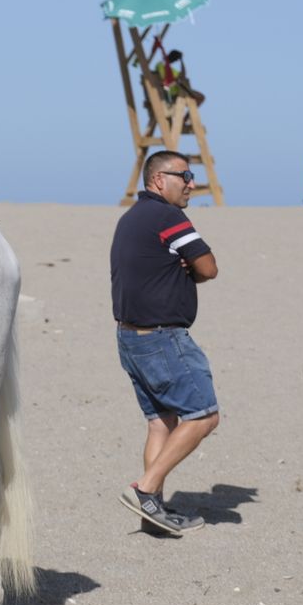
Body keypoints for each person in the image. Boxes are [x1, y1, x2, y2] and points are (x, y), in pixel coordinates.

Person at [110, 150, 220, 537]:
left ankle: (151, 513)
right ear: (159, 180)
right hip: (161, 338)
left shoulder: (131, 218)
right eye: (184, 176)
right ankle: (145, 489)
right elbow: (209, 267)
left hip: (129, 337)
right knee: (204, 416)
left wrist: (183, 265)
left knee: (161, 423)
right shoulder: (168, 217)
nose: (192, 183)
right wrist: (191, 266)